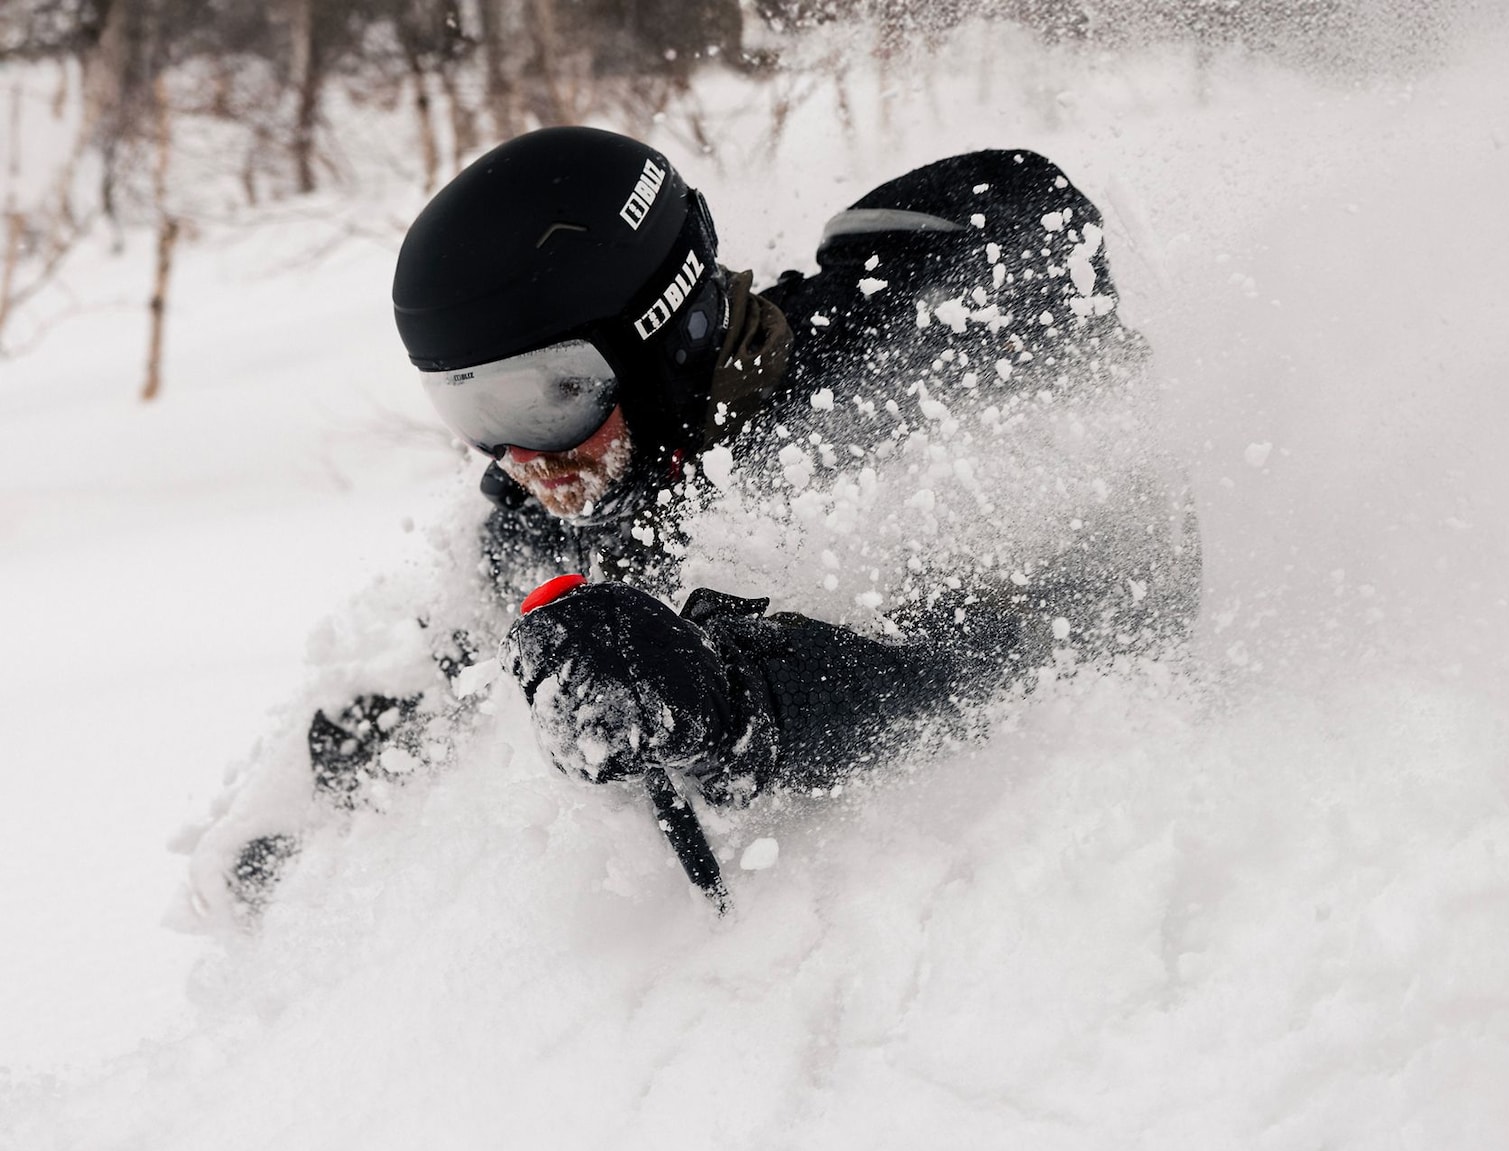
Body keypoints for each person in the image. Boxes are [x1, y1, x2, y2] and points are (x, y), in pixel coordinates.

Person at [193, 127, 1198, 919]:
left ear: (659, 334)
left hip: (1094, 879)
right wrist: (321, 800)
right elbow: (449, 657)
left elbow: (1016, 659)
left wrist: (732, 706)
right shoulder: (562, 499)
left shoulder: (906, 393)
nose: (523, 459)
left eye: (551, 393)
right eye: (476, 411)